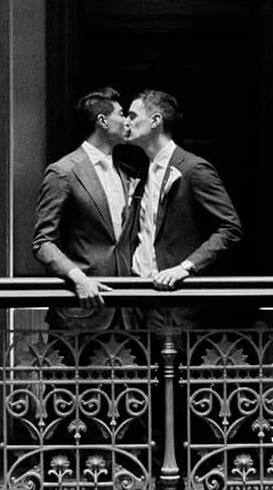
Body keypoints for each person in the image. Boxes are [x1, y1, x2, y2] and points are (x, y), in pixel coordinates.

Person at [31, 87, 139, 327]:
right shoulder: (63, 172)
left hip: (126, 311)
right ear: (102, 121)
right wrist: (78, 278)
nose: (127, 121)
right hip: (82, 309)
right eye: (122, 114)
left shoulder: (125, 172)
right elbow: (43, 242)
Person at [124, 89, 242, 290]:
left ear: (155, 121)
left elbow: (230, 229)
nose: (126, 122)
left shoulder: (193, 169)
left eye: (133, 116)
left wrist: (185, 267)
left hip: (175, 292)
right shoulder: (142, 170)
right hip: (137, 289)